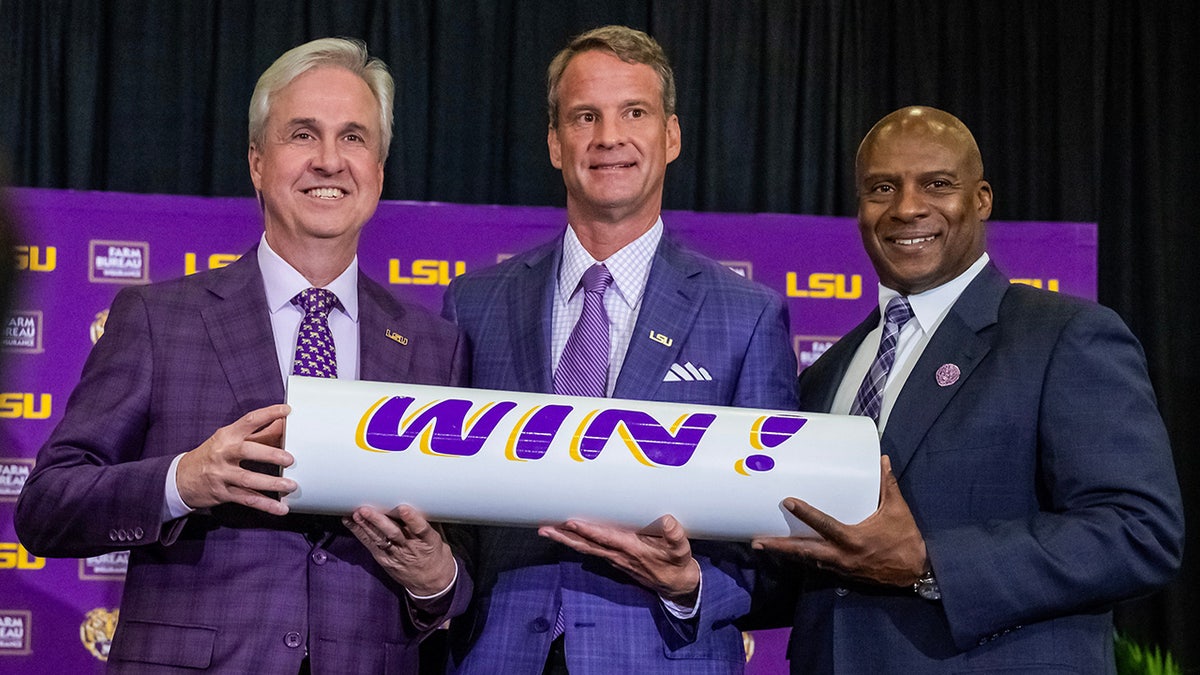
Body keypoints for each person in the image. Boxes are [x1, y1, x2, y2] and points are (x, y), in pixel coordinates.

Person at [15, 38, 470, 673]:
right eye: (303, 135)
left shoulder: (434, 346)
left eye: (354, 138)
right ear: (257, 162)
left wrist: (434, 577)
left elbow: (462, 569)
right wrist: (183, 482)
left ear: (379, 170)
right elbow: (47, 507)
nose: (330, 161)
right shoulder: (157, 319)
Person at [751, 106, 1184, 673]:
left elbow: (1139, 532)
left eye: (937, 184)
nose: (907, 207)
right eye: (882, 187)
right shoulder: (827, 373)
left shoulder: (1065, 336)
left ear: (981, 200)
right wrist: (691, 580)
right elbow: (816, 560)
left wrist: (929, 564)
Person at [440, 25, 798, 674]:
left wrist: (690, 583)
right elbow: (449, 504)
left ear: (671, 136)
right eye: (586, 116)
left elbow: (776, 540)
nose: (609, 137)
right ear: (555, 143)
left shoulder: (747, 316)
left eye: (634, 112)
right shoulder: (475, 303)